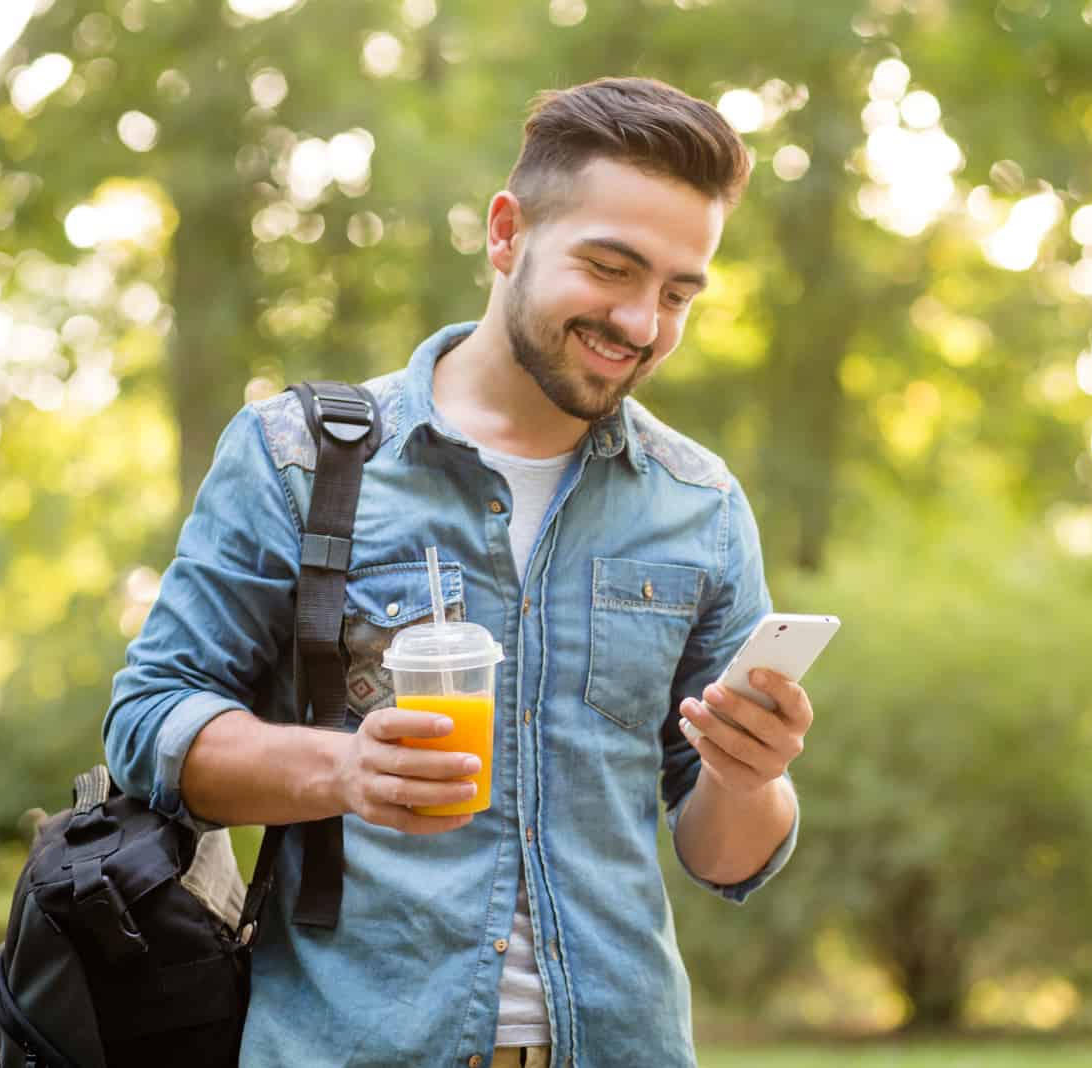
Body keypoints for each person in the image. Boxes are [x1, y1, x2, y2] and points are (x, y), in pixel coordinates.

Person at [104, 76, 815, 1068]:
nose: (641, 323)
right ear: (506, 233)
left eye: (677, 292)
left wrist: (752, 777)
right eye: (611, 268)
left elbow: (723, 855)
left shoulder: (698, 504)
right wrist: (342, 769)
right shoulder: (298, 459)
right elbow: (148, 721)